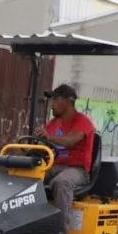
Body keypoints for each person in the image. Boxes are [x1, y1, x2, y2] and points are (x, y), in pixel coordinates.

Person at [38, 83, 97, 212]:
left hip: (78, 169)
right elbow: (44, 145)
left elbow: (71, 140)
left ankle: (60, 231)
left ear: (69, 101)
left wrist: (49, 137)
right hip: (54, 166)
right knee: (29, 176)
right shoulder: (52, 124)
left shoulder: (83, 121)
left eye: (56, 99)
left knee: (61, 182)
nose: (52, 103)